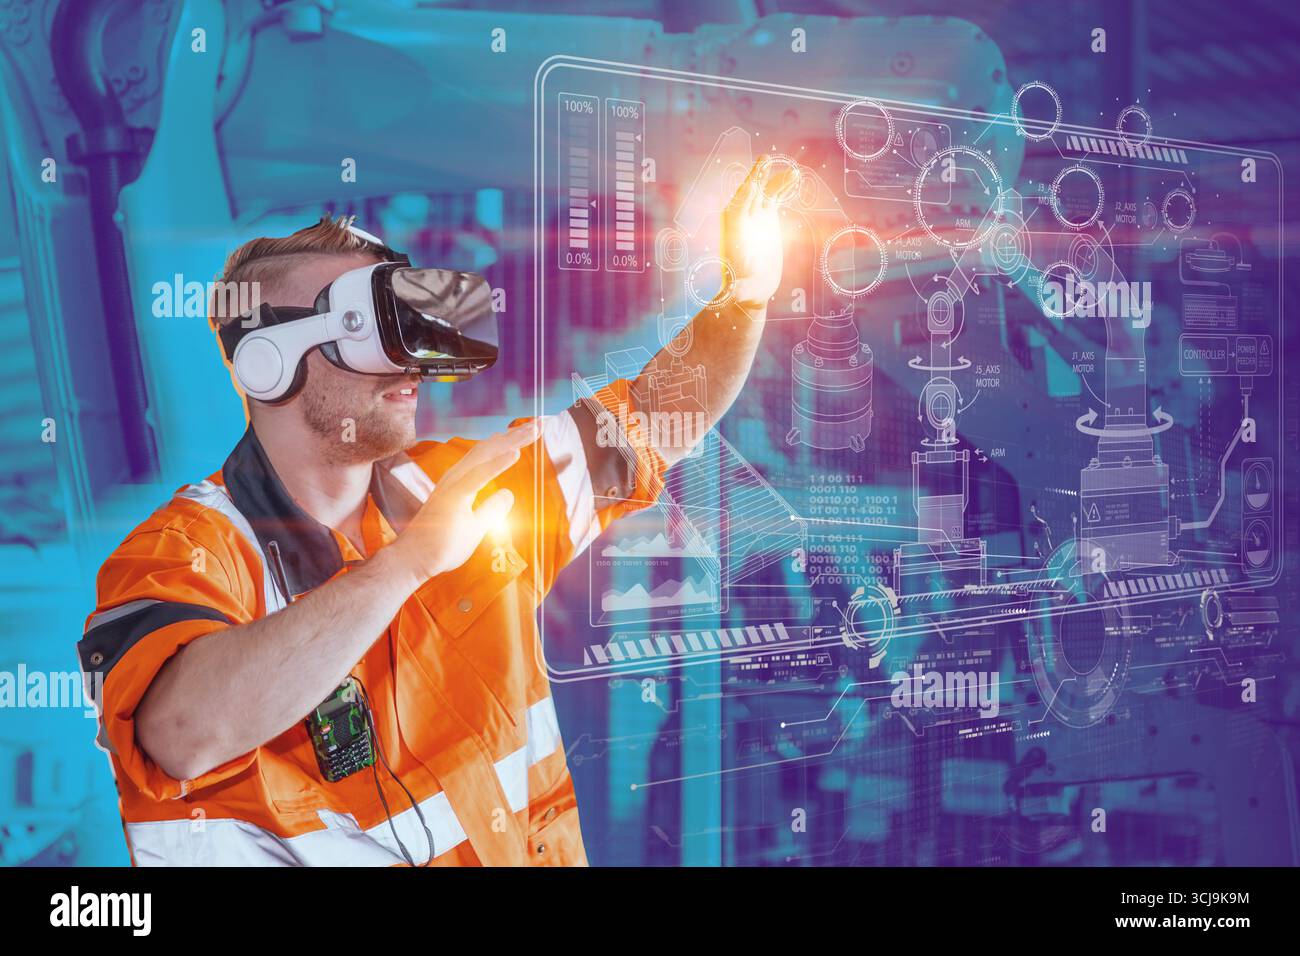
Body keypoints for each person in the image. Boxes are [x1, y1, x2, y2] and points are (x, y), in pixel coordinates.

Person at [79, 157, 793, 866]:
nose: (410, 365)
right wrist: (411, 562)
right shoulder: (188, 551)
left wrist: (748, 294)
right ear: (268, 361)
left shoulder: (461, 487)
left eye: (409, 328)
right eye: (367, 330)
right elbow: (182, 730)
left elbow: (658, 413)